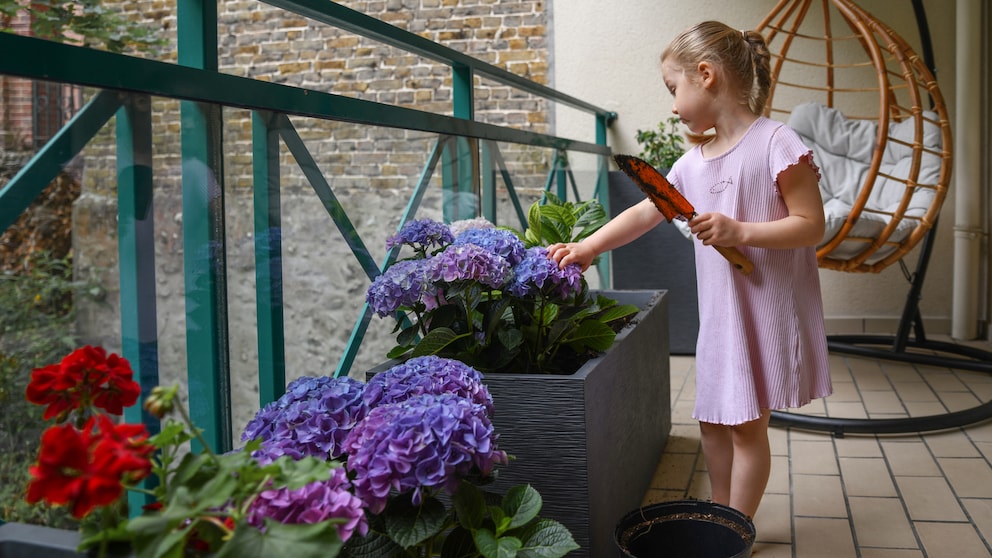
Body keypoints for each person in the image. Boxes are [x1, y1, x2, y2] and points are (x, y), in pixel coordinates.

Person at [548, 20, 832, 520]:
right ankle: (718, 511)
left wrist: (739, 231)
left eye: (672, 89)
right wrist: (589, 246)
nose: (672, 105)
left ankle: (734, 529)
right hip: (721, 317)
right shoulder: (691, 164)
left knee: (746, 426)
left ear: (706, 75)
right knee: (713, 423)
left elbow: (811, 226)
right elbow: (646, 211)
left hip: (763, 311)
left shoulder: (776, 143)